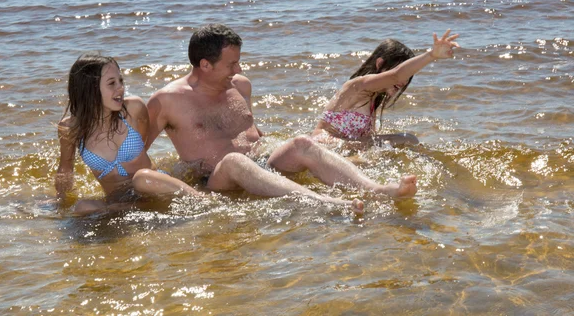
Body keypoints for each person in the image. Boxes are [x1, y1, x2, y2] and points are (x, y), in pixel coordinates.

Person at [146, 24, 416, 212]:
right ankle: (325, 202)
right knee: (234, 160)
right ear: (205, 65)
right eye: (231, 64)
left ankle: (379, 190)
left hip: (262, 165)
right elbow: (136, 157)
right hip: (218, 180)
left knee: (301, 143)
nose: (239, 69)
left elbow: (250, 132)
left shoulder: (240, 86)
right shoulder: (167, 101)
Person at [54, 53, 203, 216]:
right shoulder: (70, 127)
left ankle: (202, 201)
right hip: (118, 202)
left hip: (153, 188)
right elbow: (65, 170)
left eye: (121, 81)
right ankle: (128, 211)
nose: (121, 88)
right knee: (83, 207)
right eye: (112, 83)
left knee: (142, 177)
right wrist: (60, 200)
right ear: (90, 88)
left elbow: (144, 145)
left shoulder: (134, 109)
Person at [312, 30, 460, 147]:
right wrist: (431, 55)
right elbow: (396, 76)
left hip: (345, 146)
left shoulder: (373, 99)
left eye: (409, 76)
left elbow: (367, 139)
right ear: (380, 63)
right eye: (404, 73)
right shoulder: (358, 85)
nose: (404, 81)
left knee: (407, 142)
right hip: (323, 144)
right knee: (407, 140)